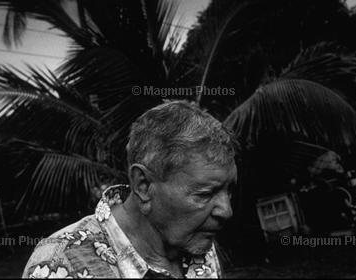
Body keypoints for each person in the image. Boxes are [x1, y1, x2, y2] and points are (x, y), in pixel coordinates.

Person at [22, 100, 238, 278]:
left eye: (228, 191)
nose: (226, 211)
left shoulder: (196, 241)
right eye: (205, 194)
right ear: (143, 185)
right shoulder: (61, 263)